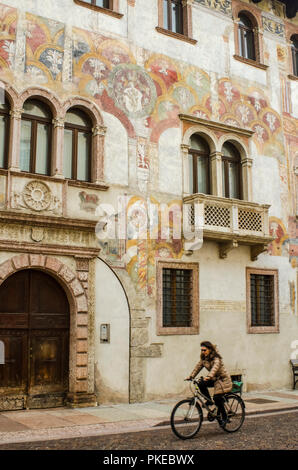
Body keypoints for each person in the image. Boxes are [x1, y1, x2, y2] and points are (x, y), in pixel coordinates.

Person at [186, 341, 233, 425]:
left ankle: (225, 417)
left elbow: (215, 367)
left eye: (204, 350)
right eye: (202, 350)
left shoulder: (216, 358)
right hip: (214, 379)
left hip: (222, 380)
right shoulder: (204, 358)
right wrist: (191, 376)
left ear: (210, 349)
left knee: (217, 398)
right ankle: (209, 401)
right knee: (200, 383)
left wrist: (209, 376)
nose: (203, 352)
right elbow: (198, 367)